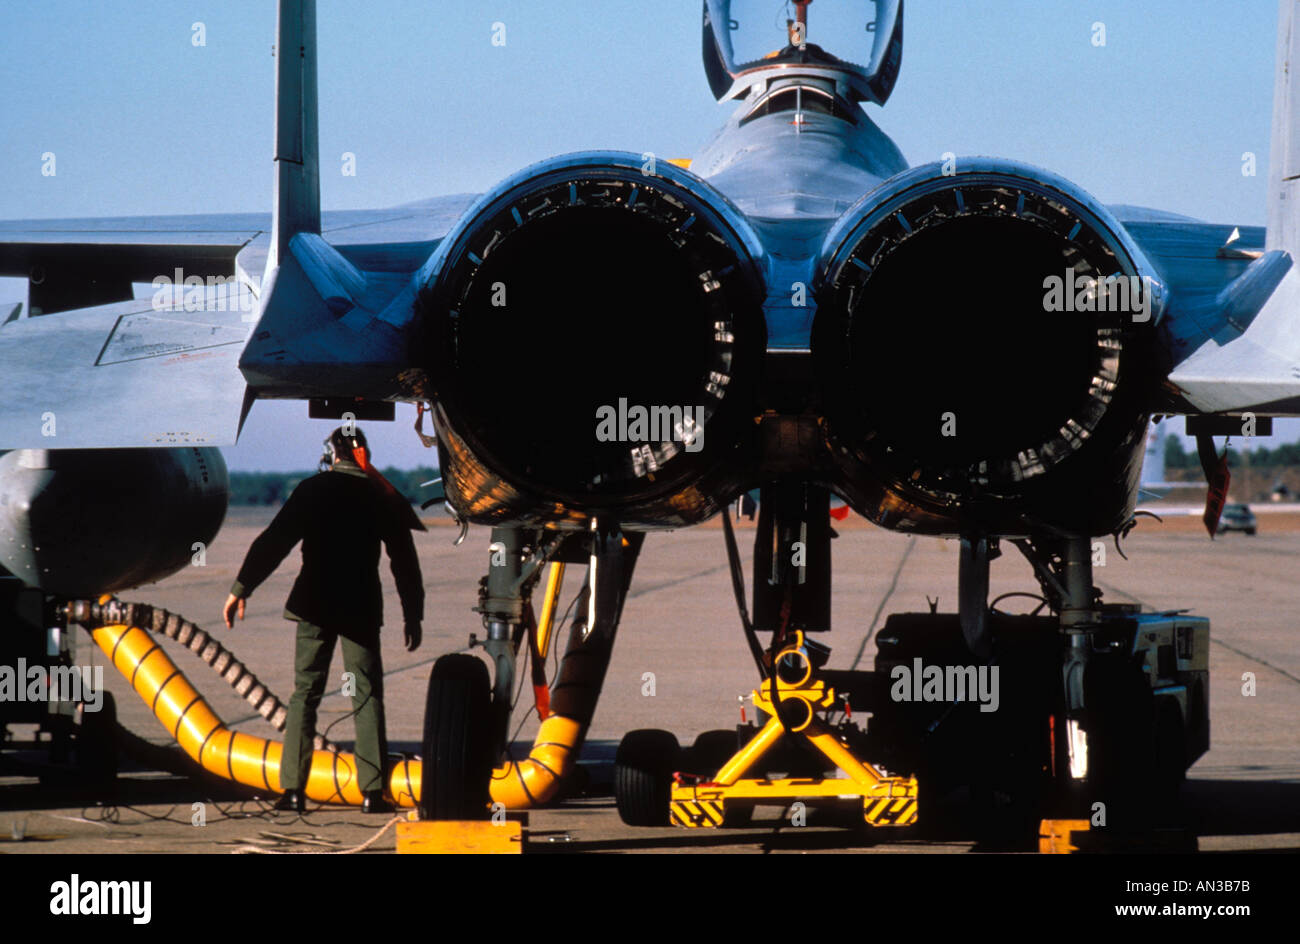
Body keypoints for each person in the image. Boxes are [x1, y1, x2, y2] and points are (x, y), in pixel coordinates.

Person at [222, 425, 425, 813]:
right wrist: (412, 614)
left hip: (313, 606)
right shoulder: (380, 496)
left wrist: (241, 588)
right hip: (360, 611)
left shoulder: (312, 490)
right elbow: (405, 562)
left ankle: (293, 792)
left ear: (333, 452)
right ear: (363, 451)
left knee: (305, 695)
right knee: (365, 696)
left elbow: (274, 541)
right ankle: (371, 793)